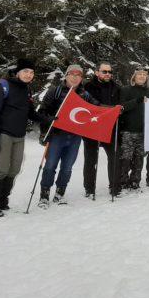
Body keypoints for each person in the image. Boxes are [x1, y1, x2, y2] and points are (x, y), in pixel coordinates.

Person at [0, 58, 52, 218]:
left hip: (19, 136)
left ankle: (3, 201)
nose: (29, 75)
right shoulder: (1, 86)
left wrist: (48, 119)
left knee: (14, 169)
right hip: (3, 134)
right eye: (25, 71)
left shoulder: (25, 89)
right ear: (17, 72)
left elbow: (30, 113)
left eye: (31, 72)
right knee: (1, 170)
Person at [37, 64, 100, 207]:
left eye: (78, 75)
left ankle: (60, 193)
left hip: (74, 137)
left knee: (67, 167)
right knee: (50, 166)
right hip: (56, 136)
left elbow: (97, 108)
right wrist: (45, 129)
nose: (75, 77)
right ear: (66, 75)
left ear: (81, 78)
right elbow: (42, 111)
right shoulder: (56, 91)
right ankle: (44, 194)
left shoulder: (84, 94)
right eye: (72, 74)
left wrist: (113, 110)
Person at [82, 61, 121, 199]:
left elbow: (120, 104)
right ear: (97, 72)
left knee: (115, 157)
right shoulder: (87, 86)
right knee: (91, 159)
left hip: (110, 128)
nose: (108, 74)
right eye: (104, 71)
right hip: (92, 127)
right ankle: (89, 188)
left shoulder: (116, 87)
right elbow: (85, 105)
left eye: (110, 72)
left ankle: (115, 187)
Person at [117, 67, 149, 193]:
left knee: (139, 158)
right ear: (134, 77)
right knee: (126, 157)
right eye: (139, 74)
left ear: (147, 78)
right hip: (128, 130)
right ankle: (123, 182)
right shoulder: (126, 90)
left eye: (144, 75)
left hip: (143, 131)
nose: (142, 76)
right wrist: (137, 100)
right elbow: (122, 107)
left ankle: (135, 181)